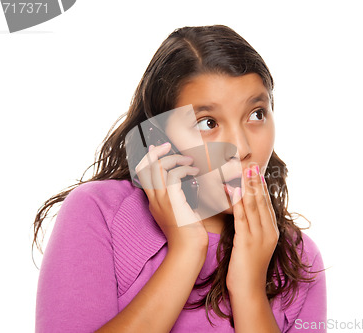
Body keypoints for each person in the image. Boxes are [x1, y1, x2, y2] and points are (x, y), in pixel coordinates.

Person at [33, 24, 327, 332]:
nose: (240, 149)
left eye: (256, 114)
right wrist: (186, 252)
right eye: (208, 122)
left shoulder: (300, 258)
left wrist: (250, 290)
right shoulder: (99, 213)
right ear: (160, 137)